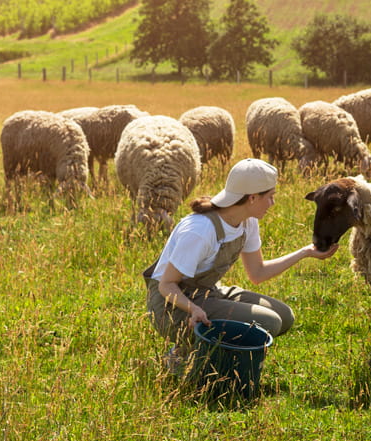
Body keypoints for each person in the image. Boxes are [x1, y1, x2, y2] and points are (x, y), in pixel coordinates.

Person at [143, 157, 338, 372]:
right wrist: (193, 309)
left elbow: (257, 272)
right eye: (270, 197)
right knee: (269, 323)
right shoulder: (200, 230)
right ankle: (190, 357)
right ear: (253, 198)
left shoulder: (247, 221)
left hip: (206, 293)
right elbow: (166, 285)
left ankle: (213, 355)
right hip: (170, 306)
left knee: (284, 316)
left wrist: (305, 252)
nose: (273, 203)